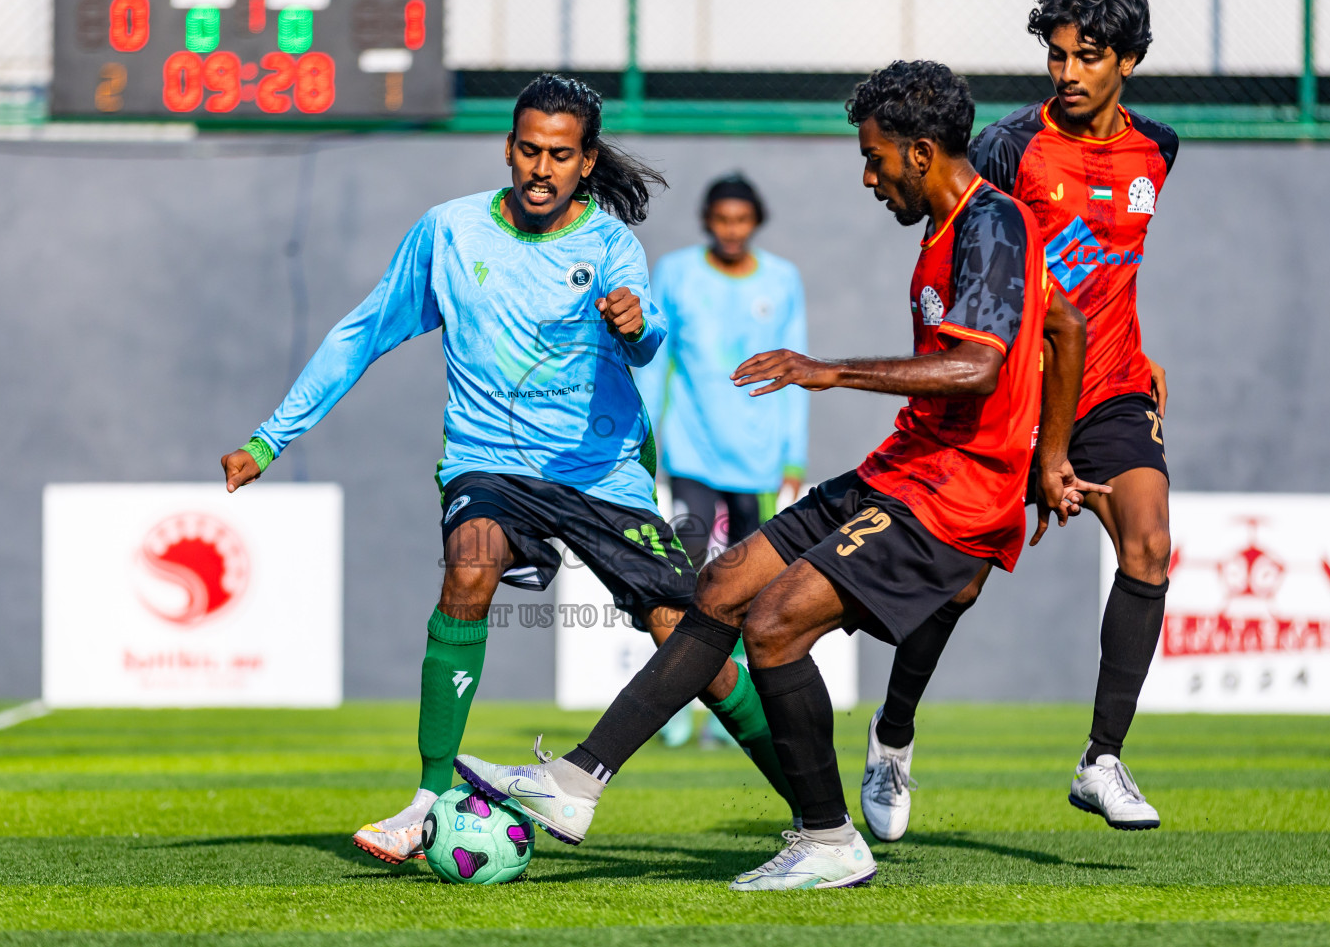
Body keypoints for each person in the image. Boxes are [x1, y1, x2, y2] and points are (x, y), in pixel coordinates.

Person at [454, 60, 1098, 890]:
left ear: (920, 152)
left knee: (774, 624)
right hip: (900, 471)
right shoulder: (953, 230)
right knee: (722, 585)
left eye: (874, 158)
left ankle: (829, 840)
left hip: (955, 495)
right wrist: (1052, 462)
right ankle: (577, 785)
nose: (868, 177)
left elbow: (977, 370)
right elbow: (1067, 324)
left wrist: (831, 371)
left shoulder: (991, 225)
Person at [219, 74, 794, 866]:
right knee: (470, 562)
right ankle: (424, 803)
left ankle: (812, 813)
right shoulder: (448, 232)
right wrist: (268, 440)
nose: (540, 168)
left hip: (600, 471)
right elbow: (361, 333)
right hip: (489, 461)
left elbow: (650, 335)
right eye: (528, 149)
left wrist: (635, 324)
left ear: (586, 162)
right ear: (508, 148)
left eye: (560, 154)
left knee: (687, 640)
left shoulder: (608, 244)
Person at [859, 0, 1178, 844]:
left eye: (1088, 57)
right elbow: (961, 262)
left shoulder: (1161, 149)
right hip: (1018, 396)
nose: (1067, 73)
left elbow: (1114, 274)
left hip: (1109, 388)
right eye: (1057, 55)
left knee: (1149, 544)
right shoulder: (1007, 147)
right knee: (956, 584)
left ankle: (1101, 760)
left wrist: (1142, 357)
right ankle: (893, 737)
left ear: (1131, 61)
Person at [636, 175, 808, 751]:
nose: (731, 230)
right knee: (681, 577)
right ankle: (679, 701)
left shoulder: (782, 280)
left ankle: (730, 703)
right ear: (708, 221)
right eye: (721, 220)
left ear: (754, 222)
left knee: (748, 585)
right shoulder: (678, 273)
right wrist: (647, 445)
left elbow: (794, 370)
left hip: (757, 460)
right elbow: (655, 363)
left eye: (741, 220)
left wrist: (793, 454)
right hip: (690, 450)